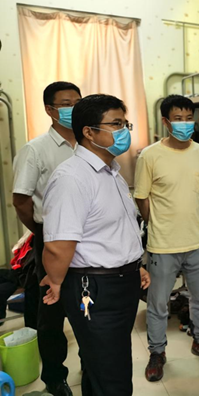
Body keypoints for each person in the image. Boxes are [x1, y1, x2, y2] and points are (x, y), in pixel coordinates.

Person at [40, 94, 151, 396]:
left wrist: (135, 265)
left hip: (121, 281)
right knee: (112, 376)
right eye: (116, 124)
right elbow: (58, 245)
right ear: (89, 132)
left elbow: (115, 228)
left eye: (125, 123)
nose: (124, 130)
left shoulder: (111, 171)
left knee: (102, 362)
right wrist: (57, 282)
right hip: (95, 289)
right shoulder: (72, 178)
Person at [134, 94, 199, 382]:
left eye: (189, 118)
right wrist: (158, 224)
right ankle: (157, 352)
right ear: (166, 121)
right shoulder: (150, 156)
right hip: (163, 245)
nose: (185, 124)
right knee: (158, 305)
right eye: (178, 119)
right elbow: (142, 198)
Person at [12, 81, 81, 396]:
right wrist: (43, 229)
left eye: (77, 101)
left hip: (87, 236)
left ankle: (92, 365)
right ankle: (55, 377)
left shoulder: (89, 143)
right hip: (51, 236)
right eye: (66, 103)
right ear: (50, 110)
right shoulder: (35, 149)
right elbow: (21, 200)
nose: (73, 108)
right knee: (52, 310)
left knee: (87, 303)